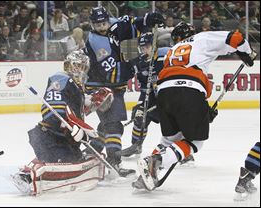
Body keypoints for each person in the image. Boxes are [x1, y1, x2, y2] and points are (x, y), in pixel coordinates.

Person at [134, 22, 257, 191]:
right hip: (188, 90)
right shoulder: (202, 38)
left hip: (164, 93)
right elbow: (235, 37)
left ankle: (146, 175)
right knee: (196, 142)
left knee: (169, 140)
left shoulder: (172, 51)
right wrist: (247, 53)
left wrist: (203, 110)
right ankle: (156, 161)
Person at [11, 50, 108, 195]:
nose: (79, 71)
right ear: (68, 66)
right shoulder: (60, 78)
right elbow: (54, 111)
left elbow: (75, 112)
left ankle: (37, 168)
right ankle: (28, 177)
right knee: (63, 161)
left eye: (82, 67)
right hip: (49, 137)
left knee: (91, 146)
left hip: (62, 139)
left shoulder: (77, 88)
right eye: (76, 66)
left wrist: (91, 103)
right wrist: (67, 125)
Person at [84, 6, 165, 177]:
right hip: (101, 86)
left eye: (104, 23)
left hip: (113, 87)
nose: (102, 27)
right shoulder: (96, 42)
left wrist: (147, 20)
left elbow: (130, 25)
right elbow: (112, 74)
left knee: (107, 125)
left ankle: (91, 151)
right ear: (92, 25)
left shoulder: (112, 25)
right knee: (113, 124)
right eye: (98, 25)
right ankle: (114, 163)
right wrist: (136, 65)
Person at [119, 32, 170, 157]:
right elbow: (125, 73)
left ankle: (180, 150)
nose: (144, 50)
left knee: (173, 121)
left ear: (154, 46)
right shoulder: (139, 61)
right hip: (150, 95)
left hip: (168, 95)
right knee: (139, 116)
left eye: (147, 47)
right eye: (142, 48)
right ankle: (136, 146)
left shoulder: (166, 55)